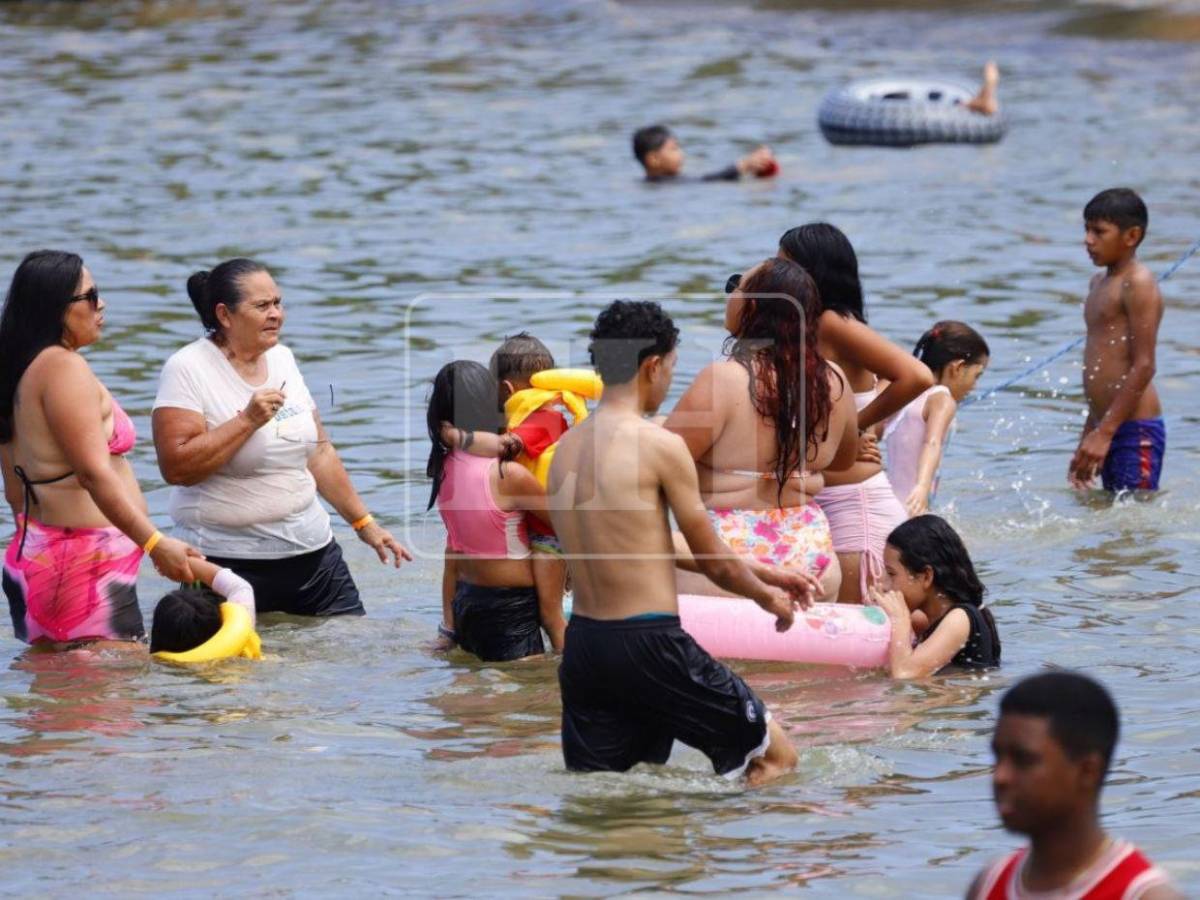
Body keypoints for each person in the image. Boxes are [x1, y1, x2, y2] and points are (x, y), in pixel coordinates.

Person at [550, 300, 822, 785]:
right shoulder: (658, 445)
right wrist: (769, 601)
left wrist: (766, 570)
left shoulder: (566, 451)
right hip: (650, 643)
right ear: (652, 365)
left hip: (586, 650)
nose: (670, 381)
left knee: (613, 797)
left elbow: (636, 546)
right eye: (672, 368)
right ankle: (724, 856)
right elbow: (711, 562)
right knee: (776, 759)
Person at [152, 258, 410, 618]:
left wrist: (365, 524)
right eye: (262, 306)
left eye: (278, 303)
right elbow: (177, 468)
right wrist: (247, 421)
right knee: (228, 672)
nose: (276, 314)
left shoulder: (283, 358)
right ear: (225, 315)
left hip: (315, 556)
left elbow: (319, 452)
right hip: (225, 565)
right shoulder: (188, 368)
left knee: (348, 655)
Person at [0, 250, 199, 646]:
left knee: (59, 698)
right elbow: (92, 473)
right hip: (82, 567)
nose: (101, 304)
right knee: (104, 701)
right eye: (90, 296)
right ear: (56, 308)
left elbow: (15, 494)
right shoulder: (62, 368)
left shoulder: (18, 369)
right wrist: (156, 544)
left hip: (42, 556)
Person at [664, 258, 858, 601]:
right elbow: (843, 461)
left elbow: (659, 465)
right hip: (814, 556)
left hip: (732, 558)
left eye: (735, 286)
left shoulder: (722, 379)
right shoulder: (833, 380)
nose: (729, 295)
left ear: (751, 305)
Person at [779, 223, 934, 603]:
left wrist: (853, 430)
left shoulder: (832, 323)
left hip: (855, 511)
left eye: (785, 266)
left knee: (859, 645)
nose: (776, 276)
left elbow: (916, 375)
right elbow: (876, 381)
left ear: (813, 273)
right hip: (820, 506)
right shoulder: (804, 329)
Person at [967, 671, 1180, 899]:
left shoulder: (1142, 894)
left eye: (1024, 760)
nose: (1001, 777)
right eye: (998, 757)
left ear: (1087, 771)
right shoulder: (988, 884)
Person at [436, 333, 570, 651]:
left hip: (470, 599)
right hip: (511, 604)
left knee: (552, 617)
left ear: (505, 391)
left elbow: (452, 551)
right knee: (552, 618)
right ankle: (575, 678)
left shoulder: (448, 466)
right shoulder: (507, 472)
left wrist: (454, 436)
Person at [1067, 189, 1164, 494]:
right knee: (1108, 522)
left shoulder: (1138, 282)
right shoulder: (1098, 283)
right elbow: (1100, 367)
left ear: (1132, 235)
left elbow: (1144, 365)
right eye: (1086, 229)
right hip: (1105, 426)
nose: (1088, 239)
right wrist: (1090, 433)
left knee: (1135, 528)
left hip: (1135, 431)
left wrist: (1105, 432)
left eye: (1099, 232)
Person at [869, 515, 999, 679]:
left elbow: (904, 675)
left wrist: (899, 620)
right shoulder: (928, 620)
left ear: (926, 577)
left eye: (891, 574)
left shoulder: (960, 618)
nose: (885, 585)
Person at [884, 321, 989, 516]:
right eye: (976, 376)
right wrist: (922, 487)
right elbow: (932, 443)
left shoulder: (906, 395)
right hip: (913, 508)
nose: (975, 386)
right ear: (957, 368)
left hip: (890, 504)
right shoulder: (942, 399)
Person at [149, 557, 257, 654]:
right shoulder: (240, 636)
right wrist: (179, 559)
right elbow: (240, 587)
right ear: (221, 626)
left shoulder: (143, 659)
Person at [632, 124, 778, 182]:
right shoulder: (665, 183)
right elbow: (704, 181)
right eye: (673, 149)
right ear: (653, 159)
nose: (681, 154)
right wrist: (742, 166)